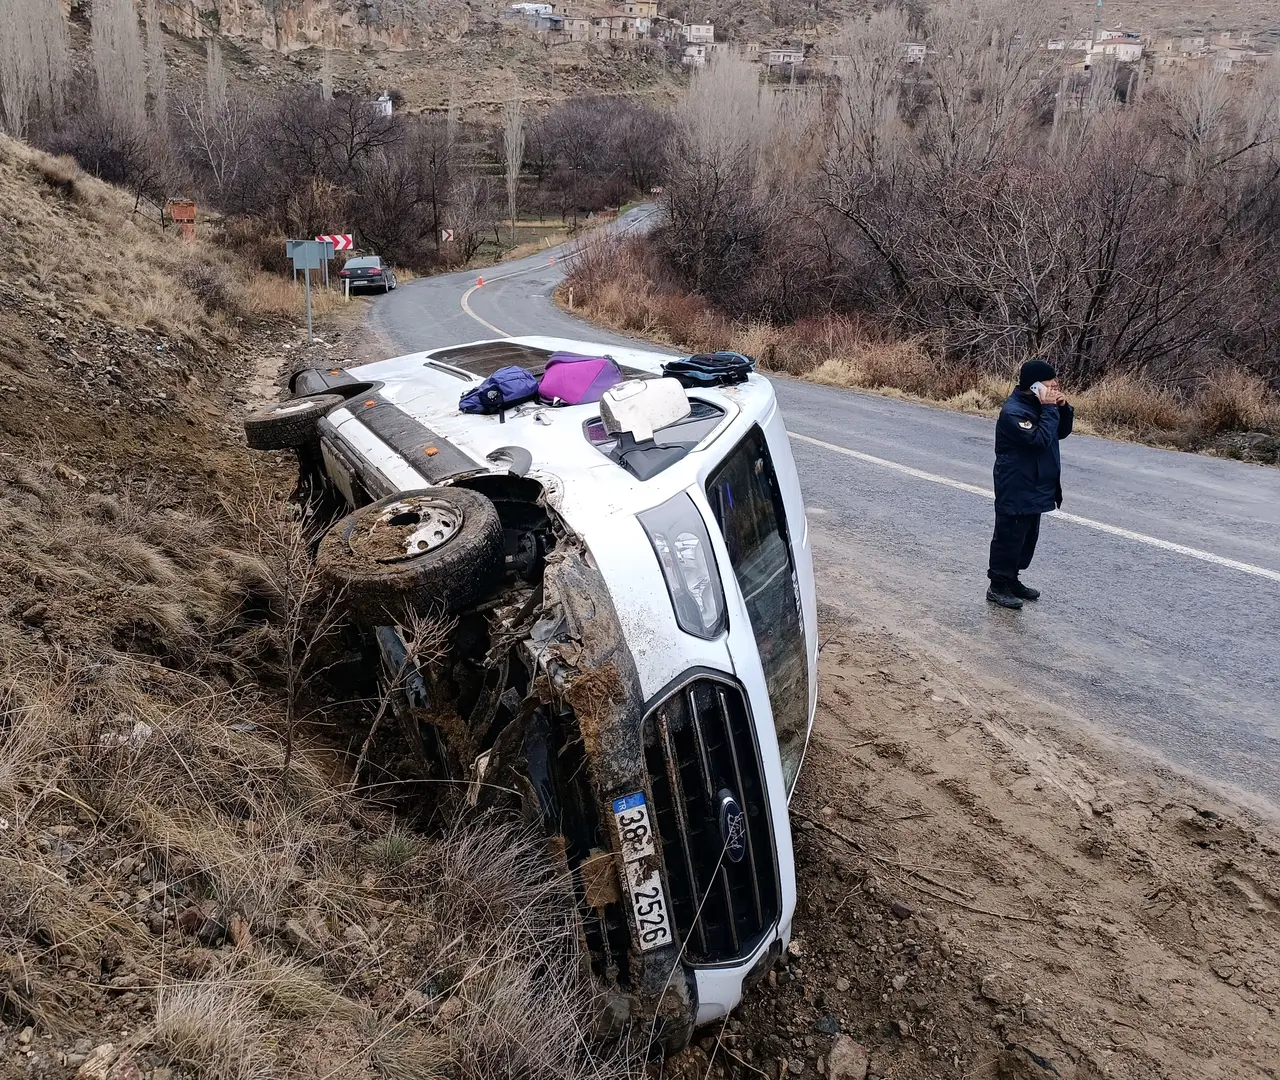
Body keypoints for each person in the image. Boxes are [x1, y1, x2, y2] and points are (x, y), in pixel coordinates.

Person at [987, 360, 1074, 610]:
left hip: (1036, 483)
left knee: (1026, 538)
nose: (1055, 385)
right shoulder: (1014, 412)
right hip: (1016, 483)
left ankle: (1012, 579)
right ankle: (997, 586)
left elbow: (1060, 432)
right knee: (1009, 536)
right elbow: (1039, 440)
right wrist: (1048, 410)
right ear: (1034, 386)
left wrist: (1063, 407)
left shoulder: (1041, 406)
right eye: (1050, 382)